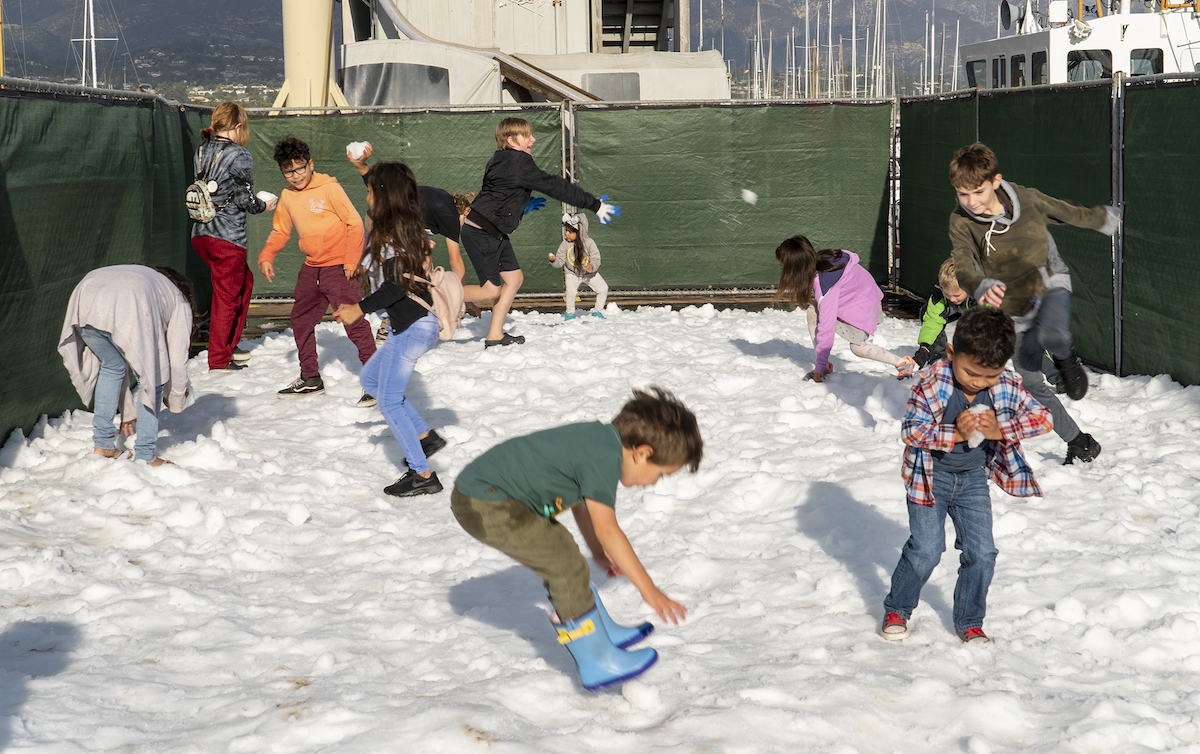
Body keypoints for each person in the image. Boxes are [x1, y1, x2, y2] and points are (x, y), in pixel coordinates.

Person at [450, 387, 702, 690]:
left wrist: (596, 550)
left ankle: (600, 631)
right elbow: (609, 529)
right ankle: (596, 658)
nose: (653, 483)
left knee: (562, 551)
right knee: (563, 564)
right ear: (643, 453)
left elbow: (582, 502)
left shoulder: (601, 443)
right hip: (484, 502)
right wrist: (649, 590)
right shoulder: (603, 457)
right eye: (660, 474)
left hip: (494, 496)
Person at [882, 308, 1052, 644]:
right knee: (928, 550)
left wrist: (1001, 428)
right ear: (951, 353)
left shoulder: (1003, 384)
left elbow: (1042, 418)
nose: (979, 382)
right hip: (929, 477)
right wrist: (954, 434)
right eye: (971, 372)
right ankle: (897, 608)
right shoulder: (932, 384)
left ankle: (970, 620)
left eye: (989, 376)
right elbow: (911, 432)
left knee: (983, 553)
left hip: (973, 478)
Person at [948, 142, 1118, 464]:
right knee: (1028, 383)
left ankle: (1066, 361)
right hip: (1012, 308)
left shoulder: (1026, 199)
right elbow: (963, 263)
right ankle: (1080, 440)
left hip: (1048, 283)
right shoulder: (961, 221)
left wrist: (1102, 219)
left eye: (978, 193)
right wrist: (980, 284)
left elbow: (1065, 210)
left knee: (1051, 335)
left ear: (995, 182)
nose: (971, 203)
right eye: (962, 194)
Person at [333, 162, 447, 498]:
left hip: (413, 327)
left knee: (388, 401)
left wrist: (359, 308)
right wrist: (364, 169)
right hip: (410, 325)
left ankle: (422, 474)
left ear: (384, 197)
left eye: (370, 190)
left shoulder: (396, 232)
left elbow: (396, 284)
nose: (366, 194)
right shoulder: (402, 225)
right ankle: (426, 438)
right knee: (371, 380)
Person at [461, 117, 620, 348]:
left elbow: (498, 194)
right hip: (481, 232)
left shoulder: (499, 159)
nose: (533, 139)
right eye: (527, 136)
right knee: (490, 290)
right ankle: (437, 295)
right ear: (511, 141)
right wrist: (594, 204)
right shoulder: (519, 162)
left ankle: (495, 335)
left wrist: (521, 206)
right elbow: (555, 186)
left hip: (492, 231)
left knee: (514, 279)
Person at [257, 136, 376, 405]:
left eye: (300, 168)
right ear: (282, 171)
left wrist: (351, 261)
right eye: (289, 171)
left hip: (341, 267)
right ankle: (310, 378)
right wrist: (267, 255)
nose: (296, 175)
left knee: (353, 322)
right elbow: (280, 230)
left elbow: (355, 224)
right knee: (300, 321)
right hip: (312, 269)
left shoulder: (329, 188)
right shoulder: (287, 196)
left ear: (310, 164)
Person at [58, 265, 195, 466]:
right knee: (153, 377)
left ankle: (103, 444)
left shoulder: (148, 278)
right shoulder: (178, 299)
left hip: (85, 301)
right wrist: (176, 397)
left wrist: (128, 409)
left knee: (112, 366)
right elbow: (177, 357)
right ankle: (145, 455)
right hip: (126, 302)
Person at [347, 143, 473, 338]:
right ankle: (390, 319)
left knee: (421, 265)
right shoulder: (449, 216)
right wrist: (461, 297)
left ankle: (411, 310)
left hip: (401, 223)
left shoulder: (440, 205)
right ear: (466, 211)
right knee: (391, 274)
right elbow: (456, 263)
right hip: (383, 221)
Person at [190, 101, 276, 372]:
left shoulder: (201, 150)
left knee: (244, 283)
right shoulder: (240, 155)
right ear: (238, 126)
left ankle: (228, 345)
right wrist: (264, 205)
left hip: (201, 234)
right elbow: (244, 199)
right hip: (227, 237)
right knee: (227, 296)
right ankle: (219, 359)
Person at [774, 235, 917, 382]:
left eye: (783, 267)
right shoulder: (823, 260)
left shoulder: (825, 285)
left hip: (864, 306)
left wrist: (820, 364)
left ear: (794, 268)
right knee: (812, 312)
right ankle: (822, 365)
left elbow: (826, 328)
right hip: (861, 298)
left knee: (858, 348)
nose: (782, 272)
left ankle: (904, 363)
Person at [913, 258, 972, 369]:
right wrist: (925, 348)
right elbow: (933, 320)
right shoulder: (940, 290)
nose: (952, 299)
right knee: (926, 311)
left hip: (976, 311)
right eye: (948, 295)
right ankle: (939, 358)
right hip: (953, 310)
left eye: (956, 295)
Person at [549, 213, 609, 320]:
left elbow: (596, 258)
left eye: (570, 232)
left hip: (588, 273)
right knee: (570, 292)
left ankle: (597, 312)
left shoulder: (589, 243)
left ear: (579, 232)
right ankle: (570, 314)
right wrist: (554, 260)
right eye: (566, 230)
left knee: (603, 288)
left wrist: (592, 266)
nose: (566, 234)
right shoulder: (565, 244)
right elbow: (560, 260)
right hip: (572, 273)